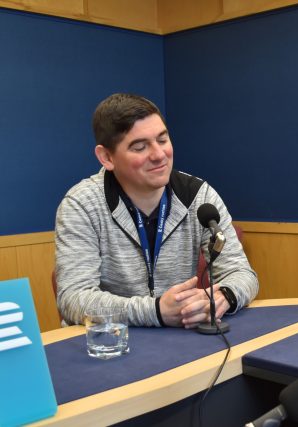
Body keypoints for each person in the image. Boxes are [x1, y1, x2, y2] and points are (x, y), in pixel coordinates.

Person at [55, 93, 258, 328]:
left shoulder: (199, 195)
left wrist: (223, 296)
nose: (159, 155)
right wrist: (156, 311)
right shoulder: (81, 204)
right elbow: (73, 299)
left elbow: (243, 274)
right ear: (107, 157)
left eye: (162, 140)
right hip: (107, 348)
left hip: (178, 344)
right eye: (140, 147)